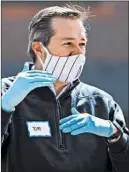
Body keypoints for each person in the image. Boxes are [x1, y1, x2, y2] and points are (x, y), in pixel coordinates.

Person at [1, 5, 129, 172]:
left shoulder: (102, 102)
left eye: (82, 44)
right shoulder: (6, 92)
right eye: (68, 43)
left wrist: (115, 134)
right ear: (39, 49)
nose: (78, 52)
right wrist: (4, 108)